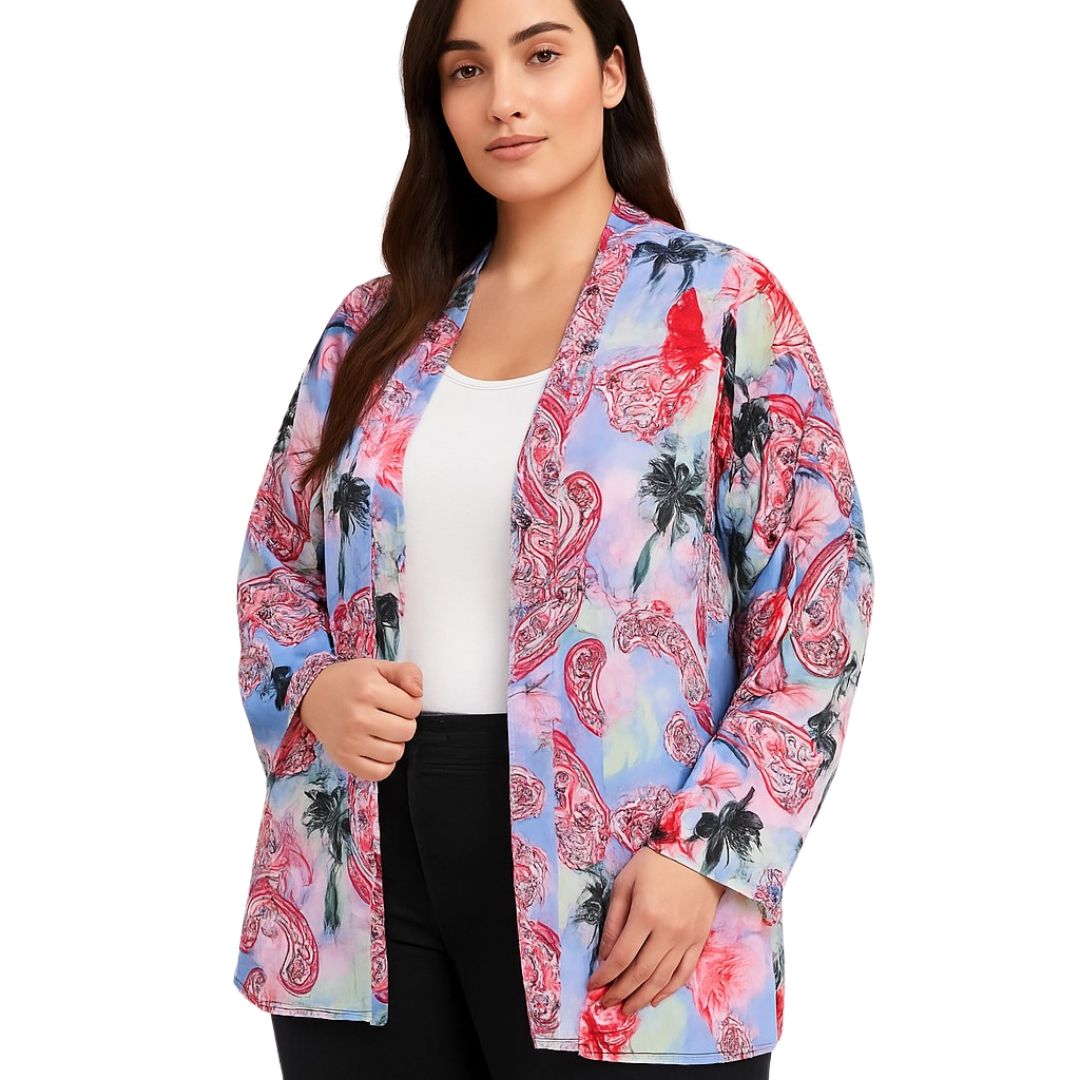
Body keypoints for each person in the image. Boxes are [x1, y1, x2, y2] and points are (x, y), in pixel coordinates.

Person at [231, 1, 875, 1076]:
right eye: (466, 70)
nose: (505, 100)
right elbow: (274, 565)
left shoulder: (721, 305)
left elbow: (822, 596)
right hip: (357, 861)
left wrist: (712, 852)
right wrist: (313, 688)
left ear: (611, 74)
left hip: (625, 873)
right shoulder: (373, 326)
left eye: (540, 54)